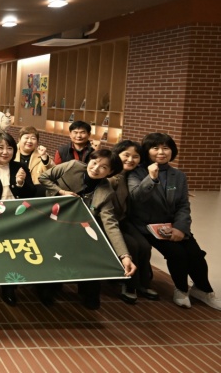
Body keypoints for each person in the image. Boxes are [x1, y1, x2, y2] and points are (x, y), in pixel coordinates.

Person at [126, 133, 221, 310]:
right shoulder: (136, 173)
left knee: (195, 254)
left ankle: (203, 290)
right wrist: (151, 178)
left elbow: (183, 205)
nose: (161, 152)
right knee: (177, 253)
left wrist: (180, 228)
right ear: (146, 151)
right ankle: (181, 290)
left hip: (173, 225)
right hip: (146, 226)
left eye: (166, 148)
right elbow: (136, 198)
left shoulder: (178, 175)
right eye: (155, 148)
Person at [39, 149, 136, 310]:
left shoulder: (106, 191)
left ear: (110, 172)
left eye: (103, 167)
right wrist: (61, 192)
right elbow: (43, 177)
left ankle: (88, 290)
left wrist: (125, 256)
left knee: (94, 248)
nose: (96, 168)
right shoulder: (72, 166)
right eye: (94, 162)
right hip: (53, 220)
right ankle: (47, 287)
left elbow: (110, 224)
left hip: (80, 229)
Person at [0, 132, 36, 306]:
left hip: (16, 218)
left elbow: (31, 195)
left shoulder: (20, 168)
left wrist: (20, 184)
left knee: (11, 253)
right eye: (1, 148)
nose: (5, 152)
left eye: (9, 148)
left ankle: (8, 287)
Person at [109, 140, 155, 304]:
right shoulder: (110, 174)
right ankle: (129, 285)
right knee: (132, 246)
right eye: (126, 155)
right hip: (108, 222)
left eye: (136, 156)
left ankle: (143, 283)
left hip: (124, 220)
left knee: (145, 246)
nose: (130, 160)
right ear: (117, 154)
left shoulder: (134, 175)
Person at [14, 126, 53, 196]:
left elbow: (53, 173)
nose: (29, 141)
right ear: (19, 139)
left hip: (36, 194)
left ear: (37, 142)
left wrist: (45, 159)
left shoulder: (42, 154)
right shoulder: (12, 152)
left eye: (33, 138)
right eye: (26, 138)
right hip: (15, 192)